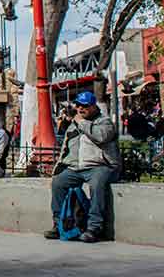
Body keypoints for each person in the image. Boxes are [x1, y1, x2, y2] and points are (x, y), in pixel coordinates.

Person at [45, 91, 122, 243]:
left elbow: (101, 136)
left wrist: (82, 123)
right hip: (77, 167)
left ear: (93, 106)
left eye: (85, 106)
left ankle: (94, 227)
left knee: (97, 184)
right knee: (58, 183)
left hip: (100, 165)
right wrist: (58, 169)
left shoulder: (104, 121)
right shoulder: (74, 125)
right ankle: (59, 224)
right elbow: (66, 148)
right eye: (78, 105)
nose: (81, 109)